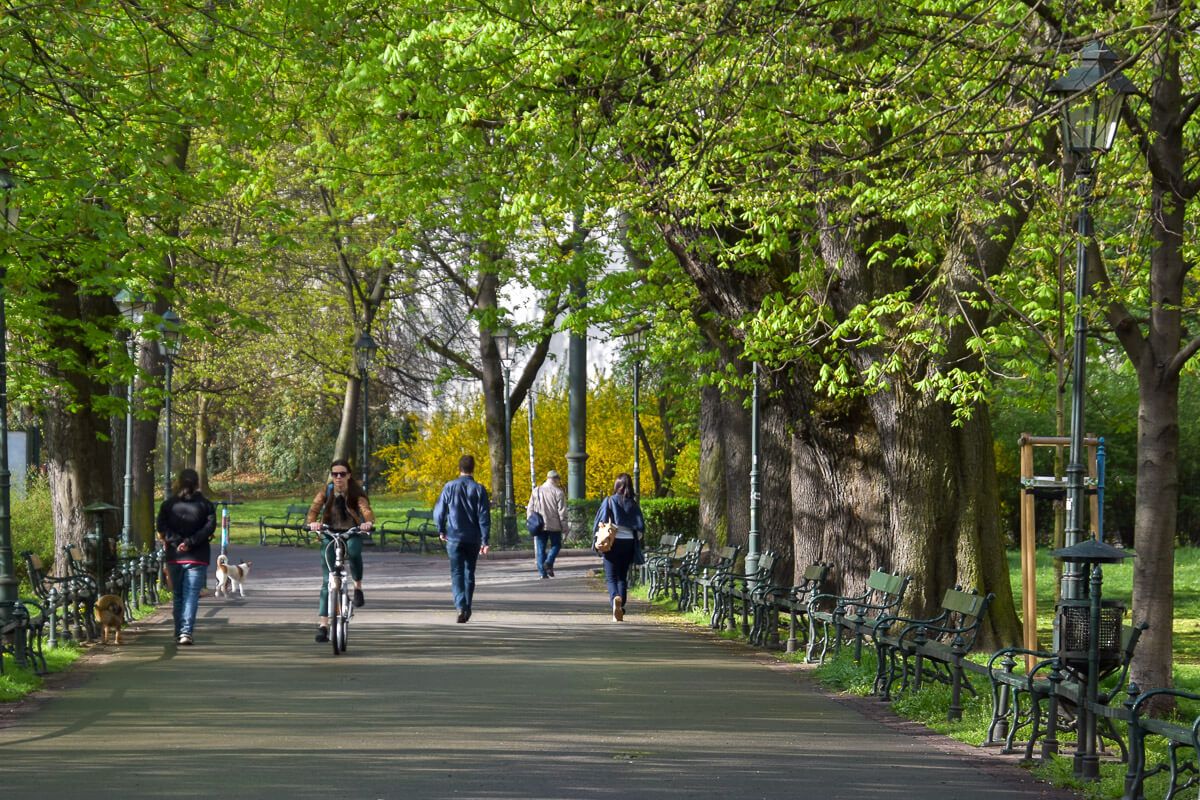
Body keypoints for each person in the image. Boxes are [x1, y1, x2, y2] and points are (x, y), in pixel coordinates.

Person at [307, 458, 374, 643]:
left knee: (354, 551)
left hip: (351, 532)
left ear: (348, 475)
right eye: (335, 474)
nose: (338, 477)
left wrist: (367, 522)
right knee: (327, 579)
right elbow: (313, 509)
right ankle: (323, 625)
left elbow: (365, 509)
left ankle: (358, 587)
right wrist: (313, 522)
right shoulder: (326, 491)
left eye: (342, 474)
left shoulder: (355, 491)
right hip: (329, 533)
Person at [157, 468, 216, 646]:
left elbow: (161, 526)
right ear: (197, 483)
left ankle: (177, 631)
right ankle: (186, 632)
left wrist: (177, 542)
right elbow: (209, 528)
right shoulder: (206, 505)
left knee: (178, 595)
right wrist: (190, 542)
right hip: (197, 556)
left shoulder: (168, 505)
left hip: (175, 556)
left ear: (179, 482)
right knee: (191, 595)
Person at [433, 454, 491, 623]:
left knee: (456, 572)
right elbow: (484, 516)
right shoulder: (479, 489)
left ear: (459, 469)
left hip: (453, 537)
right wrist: (485, 540)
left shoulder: (449, 487)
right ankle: (467, 606)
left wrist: (441, 529)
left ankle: (460, 606)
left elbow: (439, 512)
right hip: (472, 538)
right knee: (469, 573)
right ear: (473, 468)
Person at [592, 472, 645, 622]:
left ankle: (615, 599)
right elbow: (640, 529)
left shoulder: (609, 501)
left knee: (610, 577)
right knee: (622, 577)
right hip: (628, 543)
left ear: (617, 485)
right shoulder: (633, 504)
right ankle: (621, 605)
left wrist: (598, 541)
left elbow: (600, 523)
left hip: (611, 542)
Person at [527, 469, 568, 579]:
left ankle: (542, 573)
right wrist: (564, 527)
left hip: (539, 524)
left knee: (541, 548)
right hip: (554, 524)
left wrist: (530, 521)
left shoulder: (537, 490)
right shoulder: (558, 492)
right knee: (556, 545)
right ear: (555, 479)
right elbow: (562, 512)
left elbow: (530, 507)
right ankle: (549, 562)